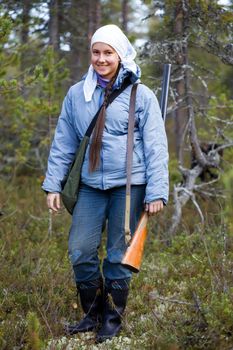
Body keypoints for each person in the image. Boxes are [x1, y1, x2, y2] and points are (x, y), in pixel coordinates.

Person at [42, 24, 169, 343]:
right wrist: (53, 184)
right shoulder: (77, 93)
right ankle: (92, 313)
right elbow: (64, 142)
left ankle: (112, 316)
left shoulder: (142, 94)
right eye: (96, 52)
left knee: (118, 253)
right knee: (80, 249)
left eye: (107, 53)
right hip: (89, 186)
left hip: (130, 185)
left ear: (120, 54)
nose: (101, 59)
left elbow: (156, 145)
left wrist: (157, 191)